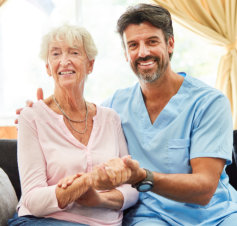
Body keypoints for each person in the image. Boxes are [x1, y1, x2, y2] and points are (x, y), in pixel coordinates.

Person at [15, 3, 237, 226]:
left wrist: (143, 177)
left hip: (214, 216)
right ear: (125, 54)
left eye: (152, 41)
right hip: (151, 218)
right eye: (133, 45)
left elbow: (205, 189)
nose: (143, 52)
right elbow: (74, 117)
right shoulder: (116, 107)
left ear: (170, 44)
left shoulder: (209, 103)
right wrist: (41, 112)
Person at [9, 24, 138, 226]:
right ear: (47, 68)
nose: (64, 61)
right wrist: (86, 181)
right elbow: (32, 200)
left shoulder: (110, 118)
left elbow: (130, 187)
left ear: (90, 65)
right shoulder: (32, 117)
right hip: (46, 221)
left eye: (74, 52)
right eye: (56, 54)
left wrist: (99, 199)